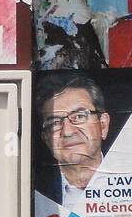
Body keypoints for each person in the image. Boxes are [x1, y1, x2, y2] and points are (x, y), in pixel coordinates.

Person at [35, 70, 110, 209]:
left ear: (103, 125)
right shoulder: (33, 193)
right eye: (54, 122)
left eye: (79, 116)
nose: (68, 132)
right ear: (46, 139)